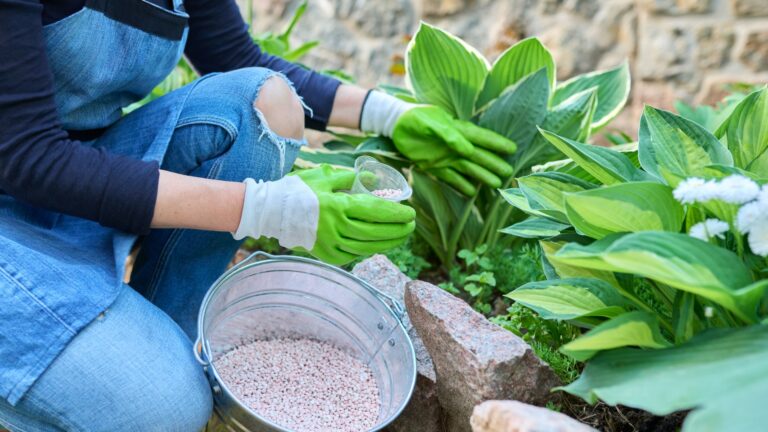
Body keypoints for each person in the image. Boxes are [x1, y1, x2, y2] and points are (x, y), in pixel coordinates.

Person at [0, 0, 517, 430]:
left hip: (70, 182)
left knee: (261, 102)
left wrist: (390, 114)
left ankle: (161, 335)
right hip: (22, 190)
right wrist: (270, 209)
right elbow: (28, 157)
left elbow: (236, 56)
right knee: (167, 410)